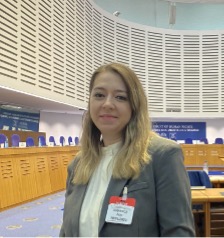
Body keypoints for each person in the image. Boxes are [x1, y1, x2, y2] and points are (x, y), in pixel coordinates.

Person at [60, 62, 195, 237]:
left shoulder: (162, 156)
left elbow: (178, 233)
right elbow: (66, 231)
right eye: (99, 95)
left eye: (120, 97)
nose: (107, 104)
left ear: (134, 106)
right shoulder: (78, 164)